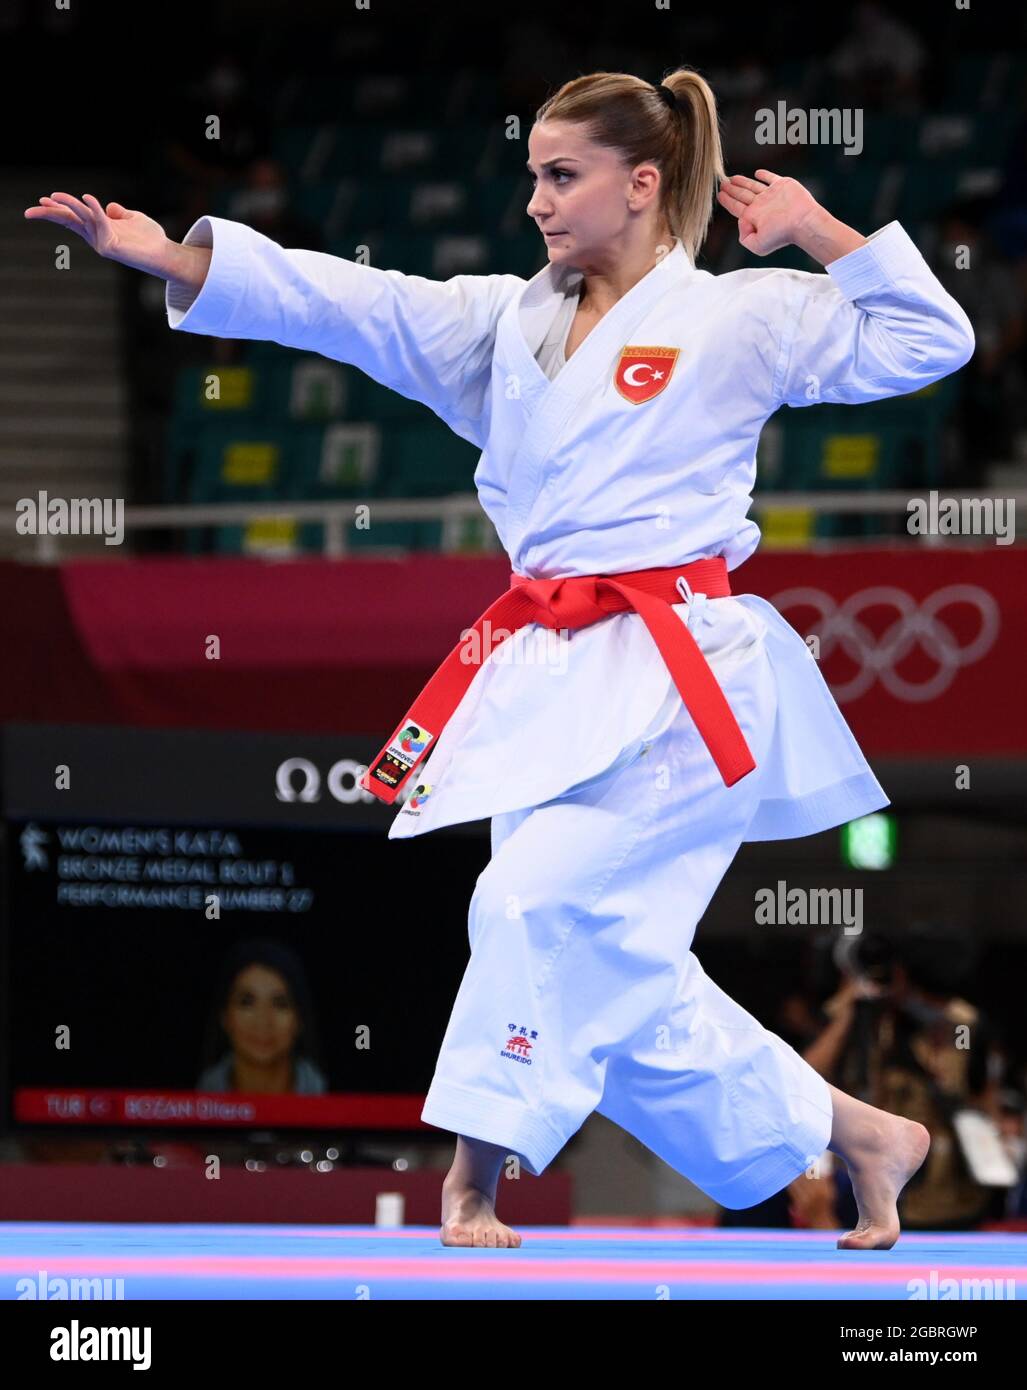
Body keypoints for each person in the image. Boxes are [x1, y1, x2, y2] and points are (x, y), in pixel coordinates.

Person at [26, 65, 974, 1251]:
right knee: (609, 975)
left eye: (561, 176)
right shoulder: (505, 324)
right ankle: (856, 1129)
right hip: (546, 679)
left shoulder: (740, 315)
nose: (535, 199)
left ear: (641, 184)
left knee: (526, 905)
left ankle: (472, 1176)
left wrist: (819, 232)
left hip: (688, 678)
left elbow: (930, 338)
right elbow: (349, 305)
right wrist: (176, 261)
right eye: (531, 173)